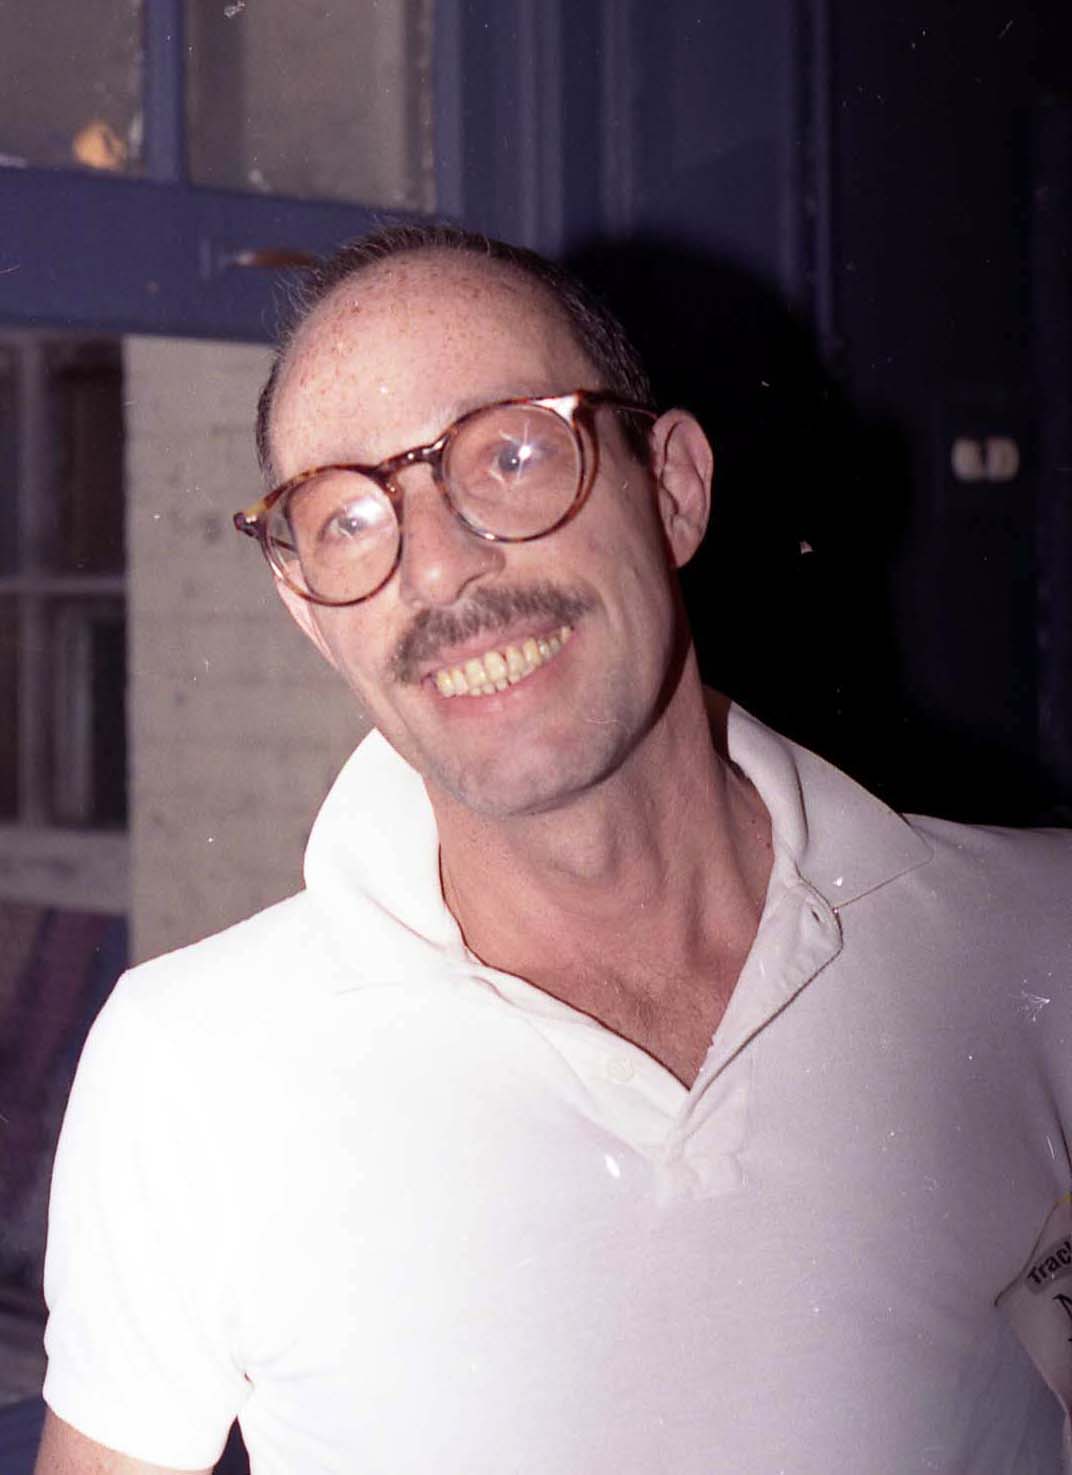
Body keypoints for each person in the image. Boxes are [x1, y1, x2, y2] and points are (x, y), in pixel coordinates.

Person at [36, 225, 1072, 1474]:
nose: (439, 567)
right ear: (309, 612)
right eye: (350, 517)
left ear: (674, 486)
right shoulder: (186, 1065)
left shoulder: (1036, 938)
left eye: (510, 452)